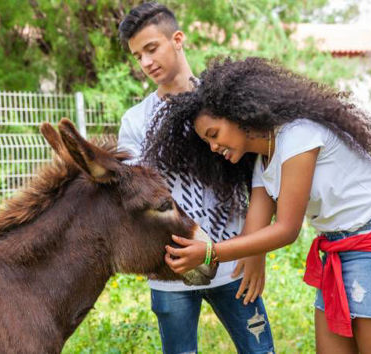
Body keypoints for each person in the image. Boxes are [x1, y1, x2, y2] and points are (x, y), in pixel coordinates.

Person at [143, 57, 371, 353]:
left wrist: (210, 252)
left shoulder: (298, 136)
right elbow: (253, 232)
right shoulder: (263, 160)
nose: (213, 148)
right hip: (337, 249)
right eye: (206, 143)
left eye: (214, 135)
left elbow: (286, 229)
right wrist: (247, 256)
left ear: (238, 114)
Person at [117, 3, 275, 354]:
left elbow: (259, 178)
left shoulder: (225, 103)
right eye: (137, 55)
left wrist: (257, 251)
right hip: (171, 273)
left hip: (234, 265)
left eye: (151, 48)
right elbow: (138, 200)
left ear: (177, 39)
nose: (145, 62)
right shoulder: (135, 121)